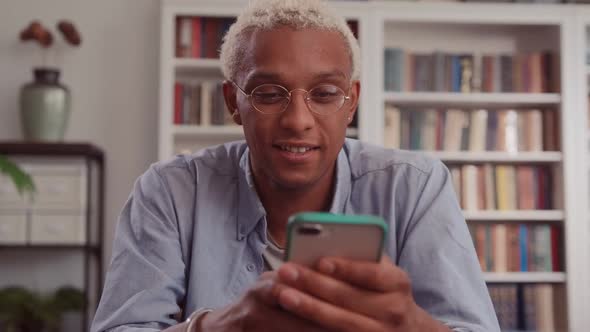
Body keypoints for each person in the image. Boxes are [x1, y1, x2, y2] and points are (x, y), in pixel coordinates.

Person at [91, 0, 500, 331]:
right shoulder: (170, 191)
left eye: (324, 93)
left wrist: (411, 326)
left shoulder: (414, 187)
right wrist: (219, 327)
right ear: (234, 102)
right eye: (269, 94)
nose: (298, 120)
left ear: (351, 101)